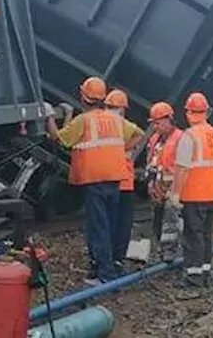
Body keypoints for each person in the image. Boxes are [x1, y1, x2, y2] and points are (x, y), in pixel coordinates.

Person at [43, 76, 142, 286]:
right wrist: (119, 150)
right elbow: (138, 134)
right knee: (108, 224)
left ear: (84, 97)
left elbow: (59, 139)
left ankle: (105, 275)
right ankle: (106, 269)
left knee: (99, 227)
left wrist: (50, 115)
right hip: (115, 179)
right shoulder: (115, 120)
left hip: (94, 181)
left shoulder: (84, 121)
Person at [167, 92, 213, 287]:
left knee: (193, 236)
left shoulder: (189, 137)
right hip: (212, 195)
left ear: (188, 113)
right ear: (206, 112)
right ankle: (206, 272)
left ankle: (194, 276)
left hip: (193, 195)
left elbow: (182, 168)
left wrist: (176, 194)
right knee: (206, 234)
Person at [103, 89, 145, 270]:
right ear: (123, 109)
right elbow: (141, 134)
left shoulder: (101, 124)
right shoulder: (125, 125)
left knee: (106, 221)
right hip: (124, 181)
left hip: (106, 179)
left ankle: (105, 258)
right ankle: (117, 258)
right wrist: (123, 148)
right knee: (122, 223)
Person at [144, 100, 183, 261]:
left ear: (168, 120)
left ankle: (169, 252)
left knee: (171, 220)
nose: (155, 127)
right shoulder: (154, 139)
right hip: (158, 187)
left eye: (158, 123)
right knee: (158, 220)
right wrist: (151, 183)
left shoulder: (181, 138)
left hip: (174, 188)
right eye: (153, 123)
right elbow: (151, 163)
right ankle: (161, 248)